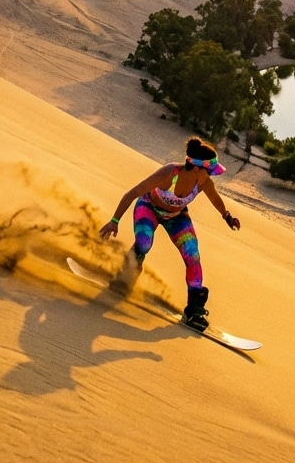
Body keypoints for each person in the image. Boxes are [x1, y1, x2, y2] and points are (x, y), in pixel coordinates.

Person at [100, 137, 241, 331]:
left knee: (193, 255)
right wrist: (114, 221)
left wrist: (227, 217)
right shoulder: (169, 173)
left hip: (177, 217)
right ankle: (126, 275)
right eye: (210, 171)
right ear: (198, 168)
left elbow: (215, 199)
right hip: (148, 207)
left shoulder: (204, 183)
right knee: (144, 242)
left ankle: (194, 310)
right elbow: (132, 193)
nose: (212, 176)